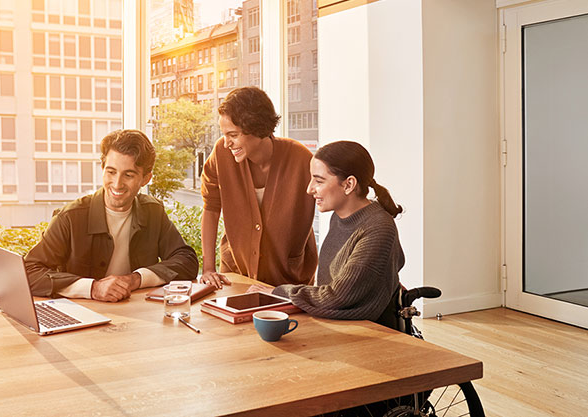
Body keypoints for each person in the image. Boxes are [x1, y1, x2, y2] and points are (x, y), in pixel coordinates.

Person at [24, 129, 199, 302]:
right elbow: (29, 271)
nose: (117, 184)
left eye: (128, 175)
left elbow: (186, 260)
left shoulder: (153, 212)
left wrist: (135, 279)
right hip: (83, 317)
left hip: (140, 318)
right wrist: (92, 288)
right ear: (102, 168)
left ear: (146, 179)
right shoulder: (70, 217)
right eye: (111, 172)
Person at [249, 140, 405, 324]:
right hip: (336, 325)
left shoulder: (378, 228)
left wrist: (279, 292)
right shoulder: (340, 217)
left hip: (371, 335)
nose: (309, 189)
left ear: (348, 185)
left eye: (319, 180)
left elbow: (336, 296)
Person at [200, 86, 318, 289]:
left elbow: (332, 197)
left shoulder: (301, 160)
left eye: (234, 135)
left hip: (288, 282)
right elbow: (210, 208)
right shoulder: (221, 154)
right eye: (224, 134)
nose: (227, 143)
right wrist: (208, 268)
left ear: (257, 127)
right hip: (236, 277)